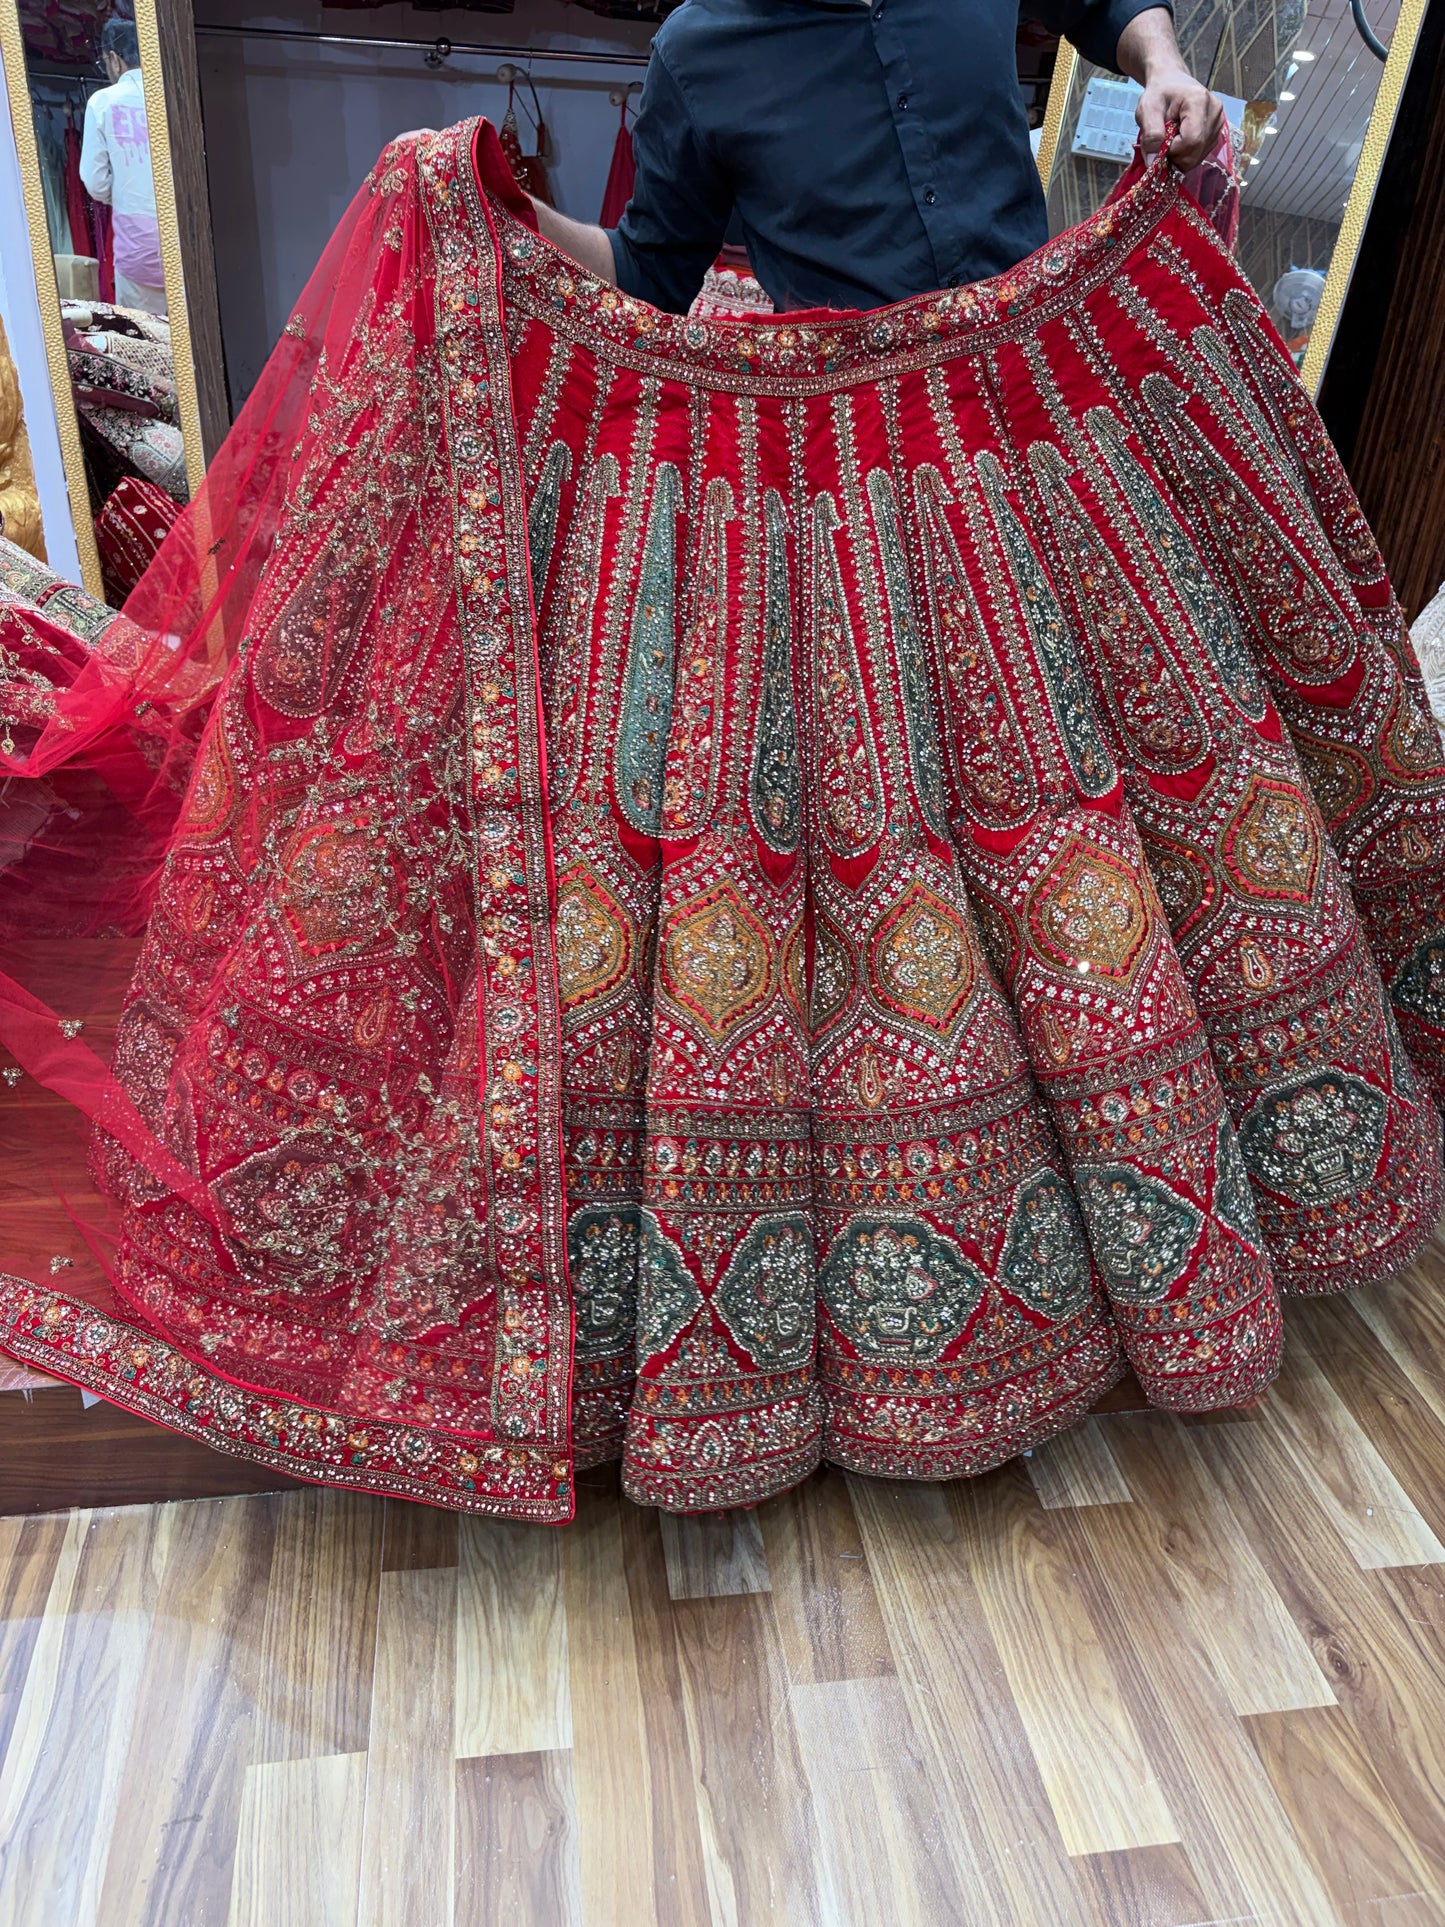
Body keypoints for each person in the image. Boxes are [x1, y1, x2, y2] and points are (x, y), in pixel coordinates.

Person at [532, 0, 1223, 314]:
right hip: (849, 443)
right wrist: (501, 202)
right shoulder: (696, 53)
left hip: (1030, 375)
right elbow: (650, 270)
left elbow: (1099, 6)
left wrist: (1161, 65)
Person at [80, 17, 165, 316]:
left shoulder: (103, 102)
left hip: (136, 241)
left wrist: (126, 194)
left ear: (114, 60)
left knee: (145, 337)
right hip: (181, 238)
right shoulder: (171, 97)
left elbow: (95, 182)